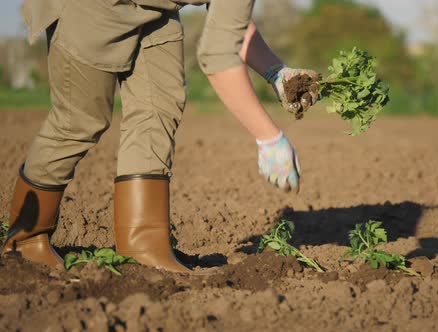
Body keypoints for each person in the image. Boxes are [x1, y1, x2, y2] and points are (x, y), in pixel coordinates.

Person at [2, 0, 319, 273]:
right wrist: (268, 137)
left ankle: (144, 244)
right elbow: (218, 58)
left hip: (155, 8)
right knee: (80, 119)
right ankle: (26, 241)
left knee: (160, 103)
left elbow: (231, 22)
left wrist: (276, 72)